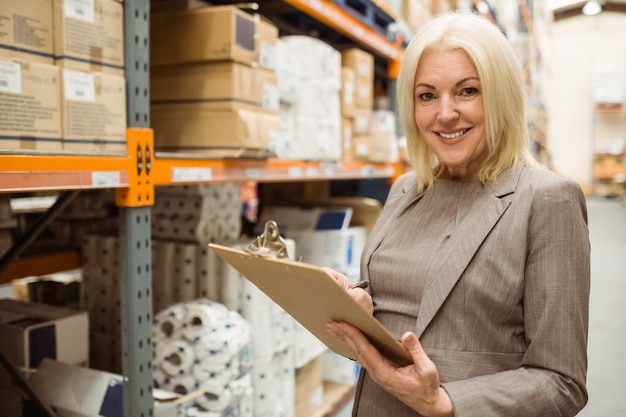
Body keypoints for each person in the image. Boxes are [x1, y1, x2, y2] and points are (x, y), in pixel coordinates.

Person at [325, 10, 590, 417]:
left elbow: (562, 382)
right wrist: (357, 310)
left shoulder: (547, 200)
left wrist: (446, 403)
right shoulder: (406, 190)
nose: (445, 114)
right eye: (427, 95)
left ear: (501, 94)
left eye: (467, 91)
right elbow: (398, 308)